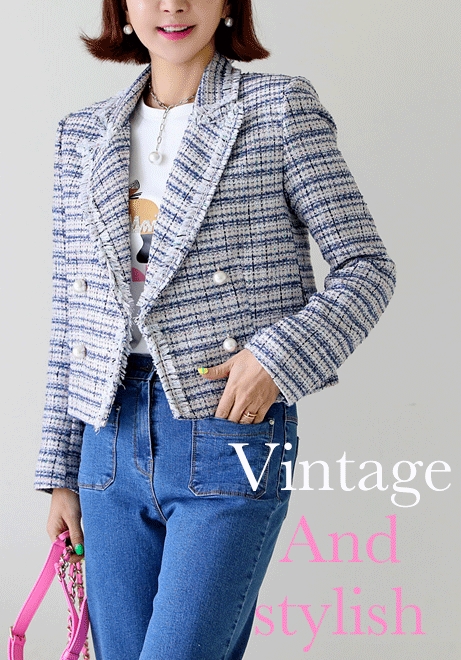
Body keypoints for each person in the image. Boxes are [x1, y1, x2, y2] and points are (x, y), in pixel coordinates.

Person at [35, 1, 396, 658]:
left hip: (227, 432)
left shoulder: (277, 109)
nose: (173, 4)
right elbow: (71, 311)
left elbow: (365, 266)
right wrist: (59, 471)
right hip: (104, 445)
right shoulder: (81, 134)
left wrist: (276, 361)